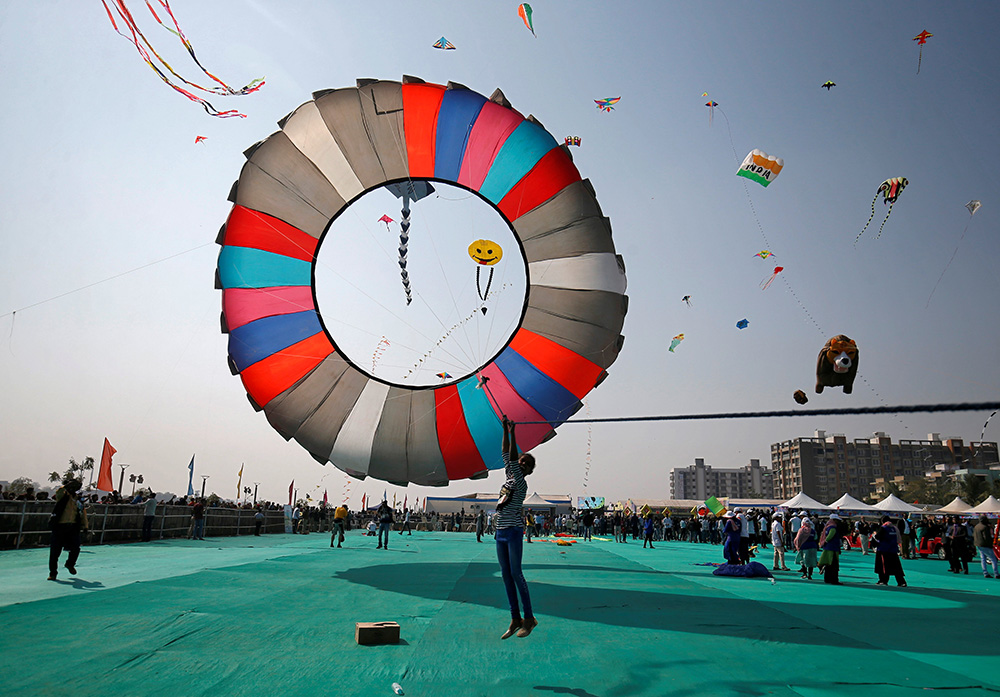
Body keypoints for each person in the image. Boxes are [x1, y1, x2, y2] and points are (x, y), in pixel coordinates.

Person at [495, 417, 537, 640]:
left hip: (512, 531)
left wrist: (512, 432)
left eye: (525, 464)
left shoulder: (521, 482)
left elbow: (510, 456)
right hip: (500, 532)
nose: (521, 464)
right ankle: (515, 618)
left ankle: (529, 618)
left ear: (528, 471)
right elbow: (506, 453)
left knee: (516, 573)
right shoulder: (509, 476)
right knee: (505, 575)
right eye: (521, 461)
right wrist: (505, 430)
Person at [48, 478, 89, 581]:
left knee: (76, 548)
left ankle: (70, 564)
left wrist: (85, 526)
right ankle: (53, 573)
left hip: (73, 527)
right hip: (59, 527)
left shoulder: (78, 499)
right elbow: (59, 492)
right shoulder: (62, 496)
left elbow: (82, 512)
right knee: (55, 552)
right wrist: (66, 486)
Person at [873, 515, 907, 587]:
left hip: (884, 549)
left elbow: (877, 537)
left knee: (883, 566)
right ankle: (901, 581)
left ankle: (883, 580)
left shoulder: (883, 528)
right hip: (893, 549)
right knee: (896, 567)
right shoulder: (894, 528)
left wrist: (875, 534)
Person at [818, 514, 844, 585]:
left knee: (828, 565)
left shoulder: (827, 527)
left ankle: (827, 579)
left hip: (827, 547)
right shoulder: (833, 528)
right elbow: (830, 536)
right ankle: (834, 580)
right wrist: (826, 540)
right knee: (833, 565)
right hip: (833, 548)